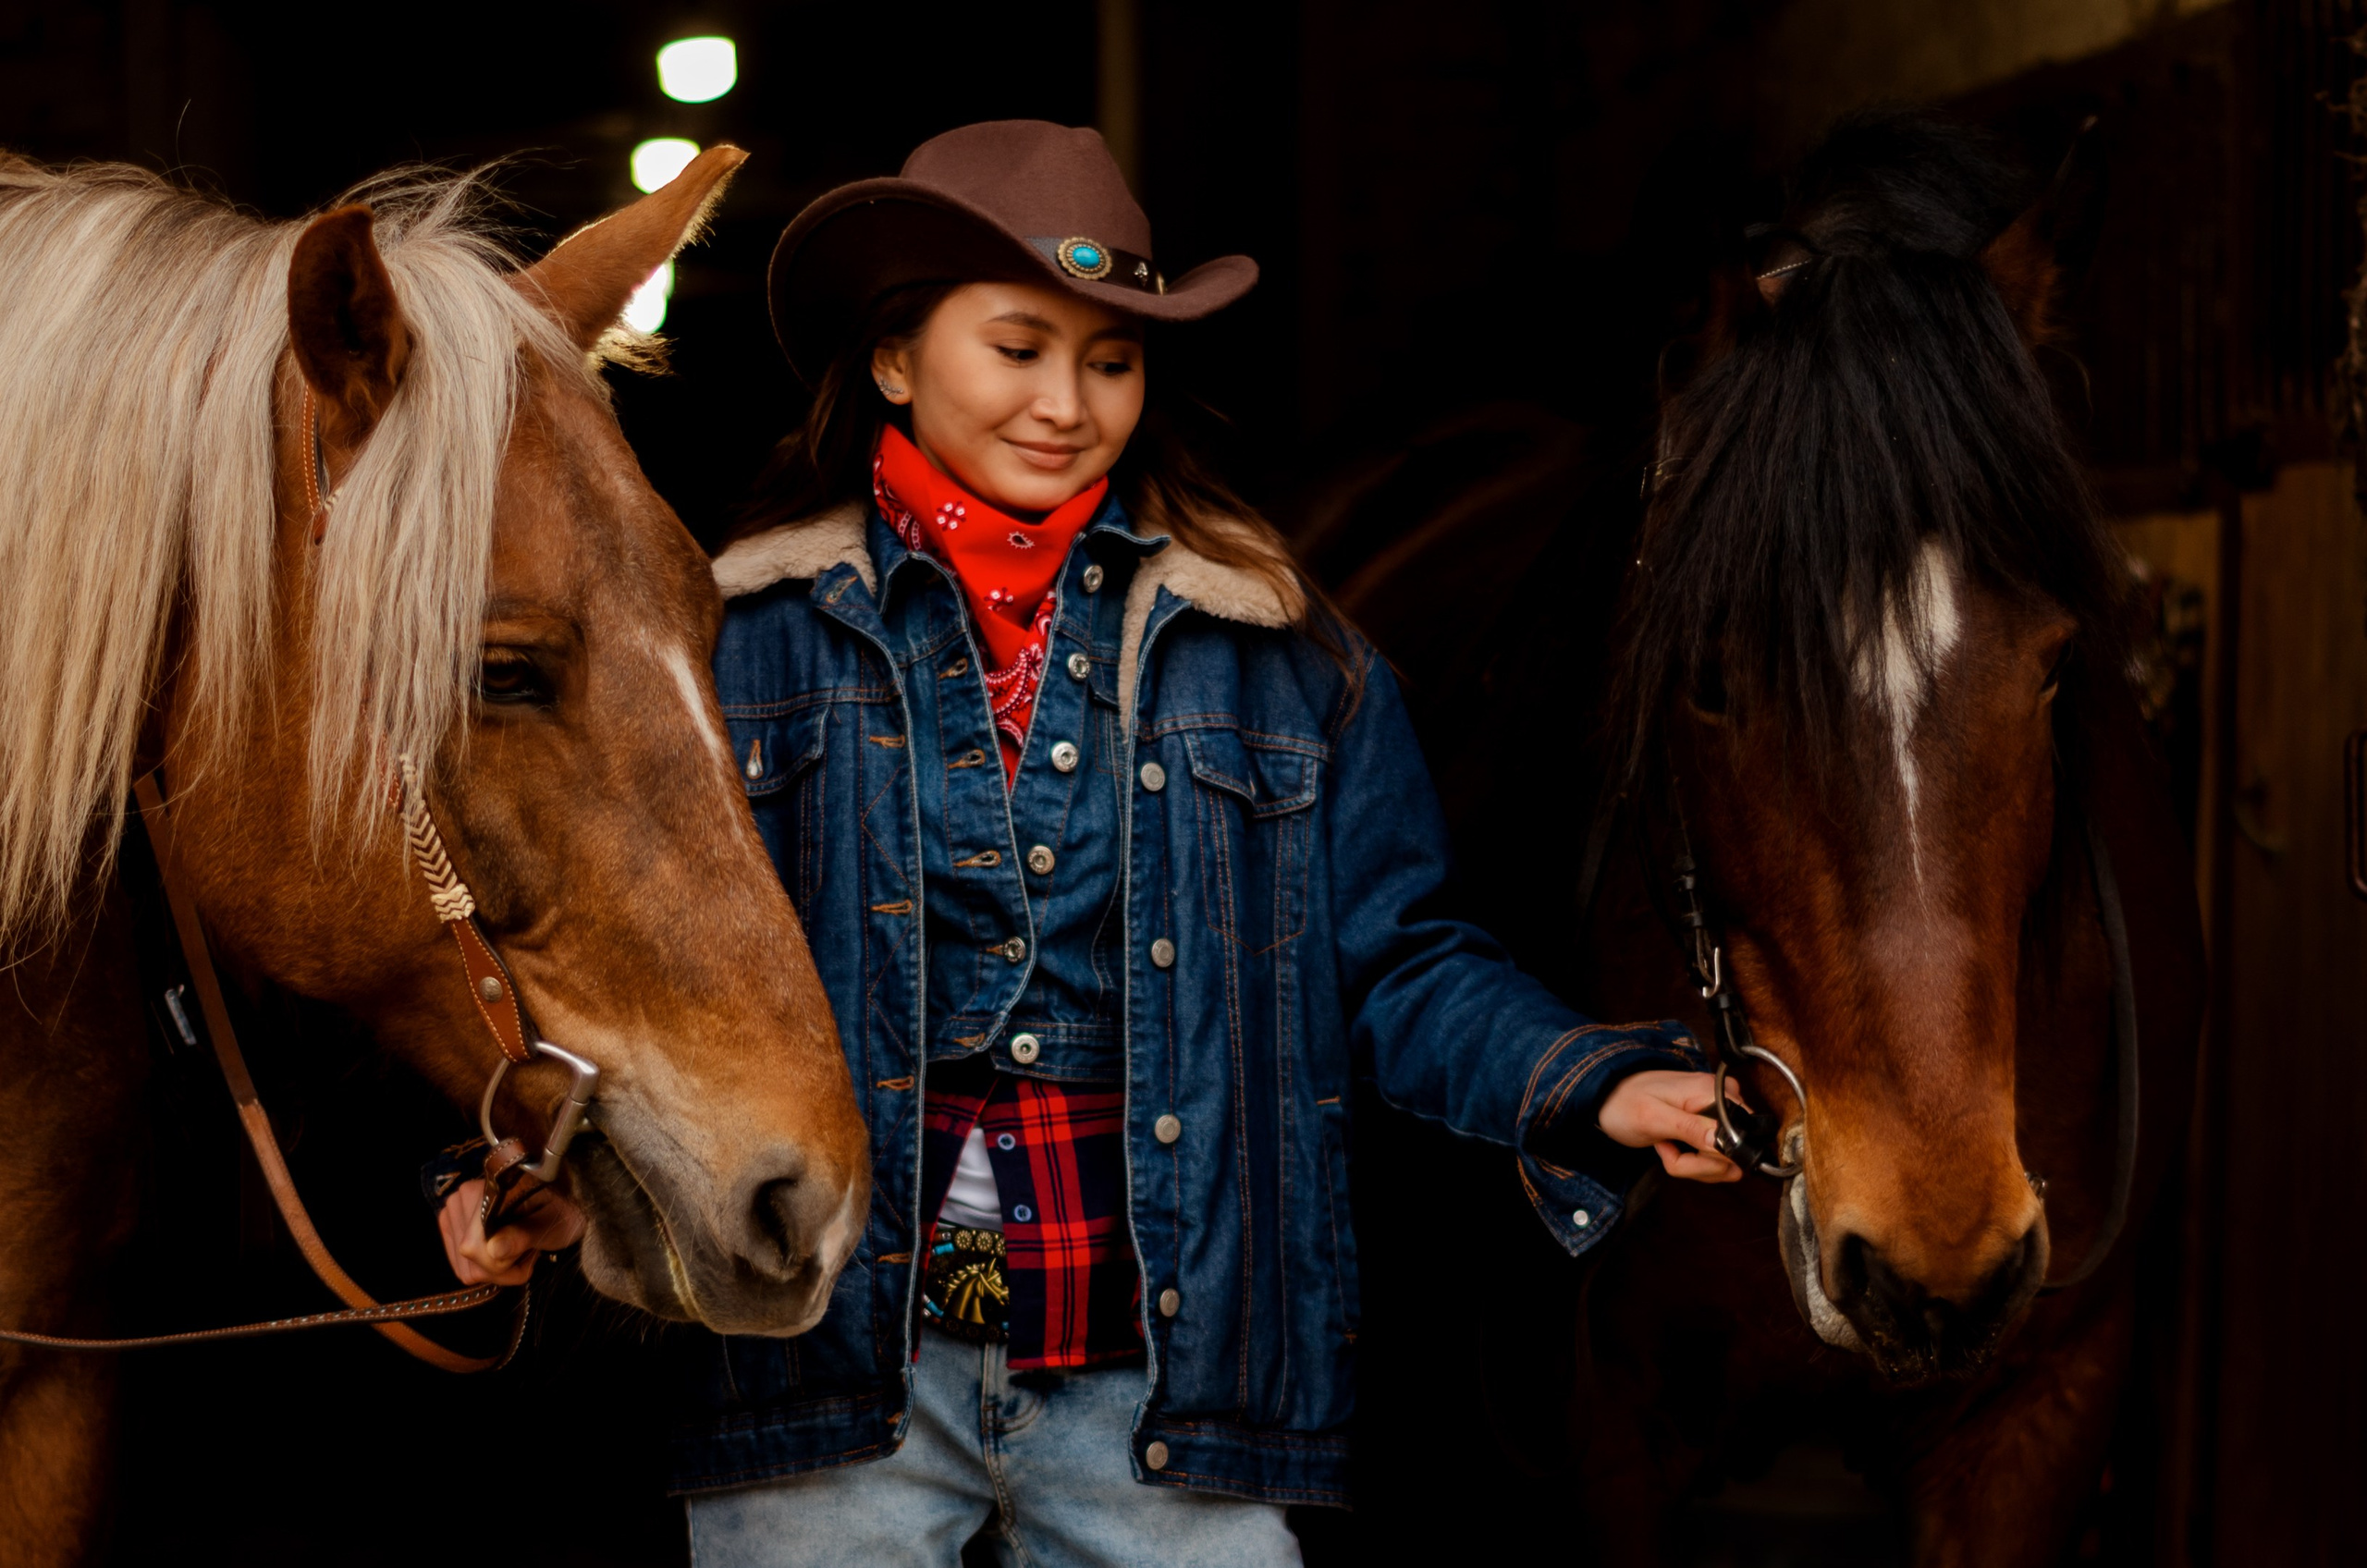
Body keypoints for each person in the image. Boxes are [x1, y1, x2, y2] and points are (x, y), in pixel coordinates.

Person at [437, 120, 1740, 1567]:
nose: (1068, 402)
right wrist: (505, 1164)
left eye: (1110, 361)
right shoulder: (738, 646)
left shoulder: (1276, 659)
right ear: (892, 359)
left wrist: (1586, 1090)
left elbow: (1398, 962)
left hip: (1163, 1388)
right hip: (827, 1370)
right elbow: (610, 940)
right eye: (1018, 348)